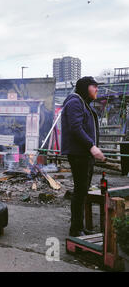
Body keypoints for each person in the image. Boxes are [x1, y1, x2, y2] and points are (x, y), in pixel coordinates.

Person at [61, 76, 105, 237]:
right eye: (94, 86)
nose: (97, 89)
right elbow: (75, 128)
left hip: (85, 153)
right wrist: (91, 146)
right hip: (79, 153)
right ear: (86, 87)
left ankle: (79, 226)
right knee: (80, 191)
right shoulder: (75, 101)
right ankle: (75, 229)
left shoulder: (84, 103)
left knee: (83, 190)